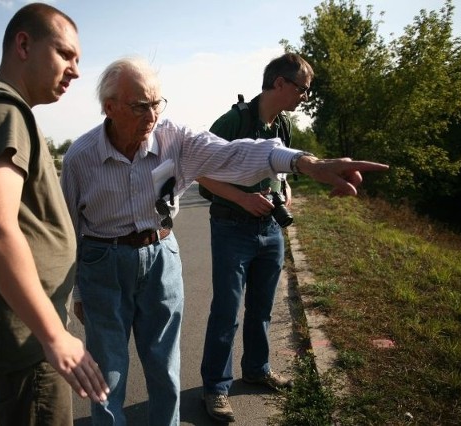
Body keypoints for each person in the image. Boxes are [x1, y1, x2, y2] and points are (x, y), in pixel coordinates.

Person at [60, 56, 387, 425]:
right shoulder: (80, 157)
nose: (151, 115)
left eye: (157, 103)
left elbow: (235, 153)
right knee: (108, 371)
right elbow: (68, 228)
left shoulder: (175, 139)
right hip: (104, 261)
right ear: (110, 107)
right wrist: (78, 292)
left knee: (164, 365)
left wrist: (305, 163)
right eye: (139, 106)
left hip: (161, 255)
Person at [0, 3, 108, 425]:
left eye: (78, 60)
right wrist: (54, 336)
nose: (75, 70)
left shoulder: (3, 110)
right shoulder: (2, 111)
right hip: (27, 340)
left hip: (27, 331)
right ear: (23, 44)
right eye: (65, 54)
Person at [197, 52, 314, 422]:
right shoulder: (232, 121)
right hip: (232, 227)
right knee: (227, 311)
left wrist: (285, 189)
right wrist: (243, 198)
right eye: (302, 89)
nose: (304, 97)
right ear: (280, 83)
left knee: (262, 307)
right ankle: (216, 387)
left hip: (270, 229)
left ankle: (257, 369)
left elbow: (279, 167)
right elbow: (198, 169)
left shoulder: (283, 125)